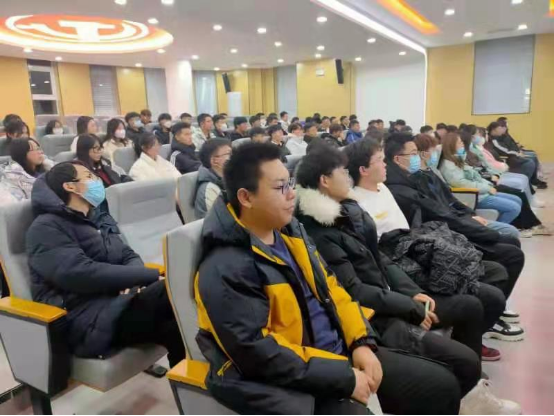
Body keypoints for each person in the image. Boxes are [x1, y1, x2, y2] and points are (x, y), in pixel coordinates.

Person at [195, 142, 463, 415]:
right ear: (246, 197)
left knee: (443, 386)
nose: (291, 194)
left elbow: (333, 289)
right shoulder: (225, 267)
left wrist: (360, 342)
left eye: (290, 184)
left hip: (341, 353)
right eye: (280, 188)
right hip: (303, 382)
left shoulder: (290, 232)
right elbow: (258, 353)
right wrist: (343, 377)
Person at [295, 149, 521, 415]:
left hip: (391, 297)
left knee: (472, 315)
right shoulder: (318, 230)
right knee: (458, 366)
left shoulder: (349, 210)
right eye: (342, 172)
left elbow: (378, 258)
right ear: (324, 180)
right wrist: (409, 306)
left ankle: (470, 397)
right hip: (374, 316)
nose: (348, 176)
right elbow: (354, 290)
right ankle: (464, 398)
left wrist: (412, 293)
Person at [346, 139, 513, 361]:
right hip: (404, 267)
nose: (385, 164)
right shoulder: (358, 204)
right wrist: (410, 290)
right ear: (363, 170)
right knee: (486, 298)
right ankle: (466, 353)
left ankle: (469, 339)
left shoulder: (383, 188)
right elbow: (380, 257)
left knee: (496, 272)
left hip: (418, 253)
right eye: (379, 160)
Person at [27, 162, 185, 367]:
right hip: (85, 317)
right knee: (174, 288)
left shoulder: (96, 219)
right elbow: (81, 273)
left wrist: (132, 281)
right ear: (70, 186)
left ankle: (195, 383)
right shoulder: (45, 227)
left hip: (117, 302)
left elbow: (127, 254)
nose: (97, 181)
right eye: (89, 176)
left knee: (178, 327)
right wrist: (147, 276)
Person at [384, 134, 526, 341]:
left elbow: (449, 202)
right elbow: (439, 216)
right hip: (440, 237)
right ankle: (489, 317)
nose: (431, 155)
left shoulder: (423, 175)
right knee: (509, 251)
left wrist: (471, 215)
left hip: (449, 228)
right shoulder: (400, 188)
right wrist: (485, 232)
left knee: (509, 246)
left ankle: (494, 313)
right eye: (415, 153)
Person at [413, 134, 522, 241]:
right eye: (433, 151)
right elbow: (442, 208)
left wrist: (469, 214)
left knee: (515, 208)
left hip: (460, 212)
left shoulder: (433, 172)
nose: (463, 145)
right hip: (468, 203)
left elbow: (450, 199)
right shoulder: (427, 176)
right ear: (423, 154)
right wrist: (467, 215)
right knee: (512, 225)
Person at [439, 133, 523, 227]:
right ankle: (499, 230)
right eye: (459, 142)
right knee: (514, 208)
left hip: (481, 192)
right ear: (451, 145)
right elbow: (462, 184)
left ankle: (504, 227)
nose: (463, 144)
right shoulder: (448, 166)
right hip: (474, 196)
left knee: (517, 199)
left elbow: (476, 176)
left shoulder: (458, 160)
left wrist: (488, 185)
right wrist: (487, 188)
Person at [76, 135, 132, 215]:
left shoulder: (105, 163)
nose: (100, 151)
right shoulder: (80, 170)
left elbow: (120, 176)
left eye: (101, 148)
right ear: (85, 149)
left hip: (120, 200)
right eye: (96, 148)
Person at [488, 122, 545, 189]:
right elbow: (504, 150)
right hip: (508, 158)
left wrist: (517, 151)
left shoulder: (500, 136)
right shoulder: (493, 139)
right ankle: (528, 183)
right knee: (530, 162)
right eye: (500, 128)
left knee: (532, 158)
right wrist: (517, 153)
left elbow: (510, 146)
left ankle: (533, 181)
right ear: (494, 129)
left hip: (511, 155)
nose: (502, 130)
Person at [194, 138, 231, 219]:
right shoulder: (209, 188)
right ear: (214, 161)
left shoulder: (228, 178)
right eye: (229, 153)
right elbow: (222, 221)